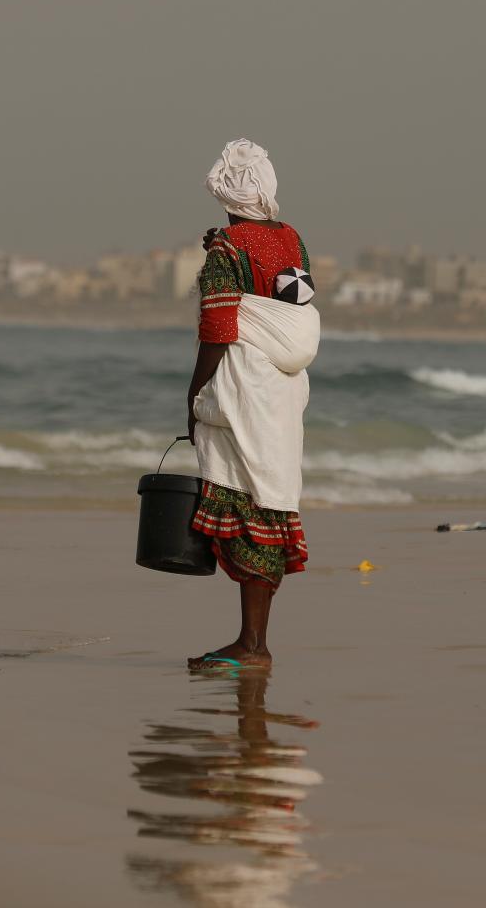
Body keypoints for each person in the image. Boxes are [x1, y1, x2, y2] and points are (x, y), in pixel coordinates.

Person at [185, 139, 319, 671]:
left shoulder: (228, 250)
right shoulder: (292, 240)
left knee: (244, 500)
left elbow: (218, 328)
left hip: (244, 385)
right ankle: (254, 640)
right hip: (285, 389)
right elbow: (287, 297)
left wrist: (193, 395)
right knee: (270, 497)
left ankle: (252, 645)